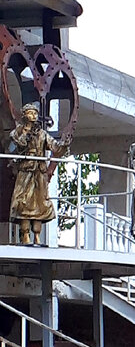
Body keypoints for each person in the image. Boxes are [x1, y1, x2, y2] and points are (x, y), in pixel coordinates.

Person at [9, 103, 68, 245]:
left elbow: (54, 146)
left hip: (39, 173)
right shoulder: (17, 132)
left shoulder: (42, 134)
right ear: (24, 115)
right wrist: (26, 132)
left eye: (35, 113)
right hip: (26, 172)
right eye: (30, 113)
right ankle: (25, 235)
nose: (33, 116)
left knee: (40, 205)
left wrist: (63, 144)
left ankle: (37, 235)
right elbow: (20, 144)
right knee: (23, 203)